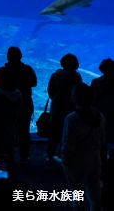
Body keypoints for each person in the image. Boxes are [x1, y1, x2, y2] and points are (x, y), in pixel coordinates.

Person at [62, 83, 106, 211]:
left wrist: (65, 161)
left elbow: (68, 143)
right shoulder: (100, 116)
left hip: (77, 162)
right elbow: (103, 140)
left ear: (74, 98)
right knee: (95, 195)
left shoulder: (71, 119)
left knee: (77, 195)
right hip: (95, 159)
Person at [0, 47, 37, 163]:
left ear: (7, 57)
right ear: (21, 56)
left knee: (7, 131)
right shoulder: (27, 69)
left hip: (6, 106)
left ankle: (8, 155)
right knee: (24, 131)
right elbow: (34, 82)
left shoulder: (1, 71)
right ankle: (24, 156)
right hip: (25, 104)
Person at [47, 53, 83, 161]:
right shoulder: (77, 76)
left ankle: (50, 154)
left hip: (57, 106)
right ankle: (63, 153)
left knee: (54, 131)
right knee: (69, 131)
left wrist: (57, 98)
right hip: (72, 107)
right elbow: (79, 91)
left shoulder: (56, 75)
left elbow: (50, 92)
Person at [92, 58, 114, 145]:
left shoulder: (96, 82)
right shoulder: (97, 82)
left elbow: (92, 99)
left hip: (100, 112)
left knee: (101, 137)